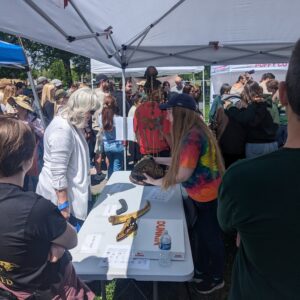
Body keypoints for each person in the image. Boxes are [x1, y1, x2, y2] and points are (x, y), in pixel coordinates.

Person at [217, 40, 300, 300]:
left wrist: (229, 107)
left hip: (258, 151)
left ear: (283, 93)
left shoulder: (242, 179)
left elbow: (228, 224)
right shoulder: (266, 107)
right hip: (270, 146)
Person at [0, 115, 94, 299]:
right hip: (49, 290)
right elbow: (71, 239)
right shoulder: (35, 208)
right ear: (27, 160)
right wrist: (55, 244)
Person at [143, 93, 225, 294]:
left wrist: (155, 181)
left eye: (169, 112)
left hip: (207, 197)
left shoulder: (192, 137)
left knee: (210, 237)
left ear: (179, 113)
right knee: (202, 235)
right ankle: (202, 269)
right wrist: (158, 161)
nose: (167, 116)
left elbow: (182, 173)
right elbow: (182, 160)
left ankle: (216, 277)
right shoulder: (195, 131)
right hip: (206, 195)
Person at [36, 88, 99, 231]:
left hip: (68, 195)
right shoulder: (62, 129)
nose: (91, 116)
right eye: (91, 111)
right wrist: (63, 205)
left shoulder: (70, 124)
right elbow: (58, 170)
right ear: (81, 109)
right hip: (58, 200)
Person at [8, 95, 44, 192]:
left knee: (35, 175)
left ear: (24, 109)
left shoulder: (34, 119)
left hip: (31, 151)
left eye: (18, 106)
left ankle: (37, 193)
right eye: (15, 105)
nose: (15, 108)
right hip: (16, 150)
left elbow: (43, 134)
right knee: (20, 175)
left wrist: (32, 127)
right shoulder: (13, 118)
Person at [99, 95, 124, 179]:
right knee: (117, 167)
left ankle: (109, 183)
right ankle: (116, 186)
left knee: (110, 166)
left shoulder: (100, 118)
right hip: (117, 145)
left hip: (107, 146)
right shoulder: (118, 119)